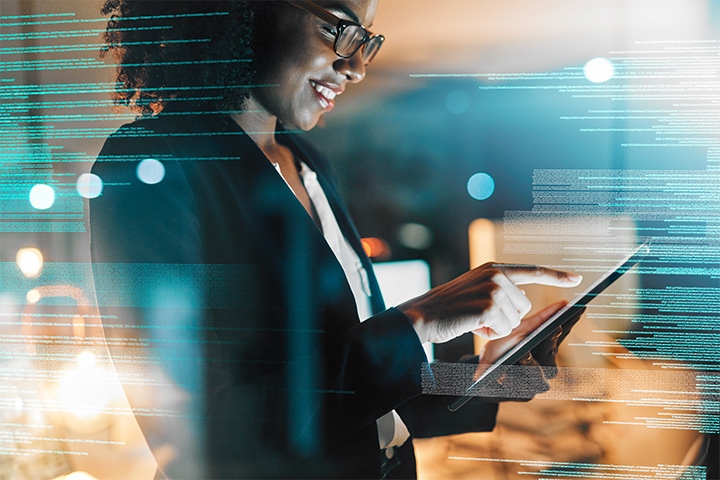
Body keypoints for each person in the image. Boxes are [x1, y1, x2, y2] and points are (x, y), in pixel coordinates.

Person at [90, 1, 583, 478]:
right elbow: (208, 440)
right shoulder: (151, 166)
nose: (357, 68)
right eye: (338, 29)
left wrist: (479, 379)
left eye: (367, 42)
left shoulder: (309, 163)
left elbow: (348, 397)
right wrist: (418, 322)